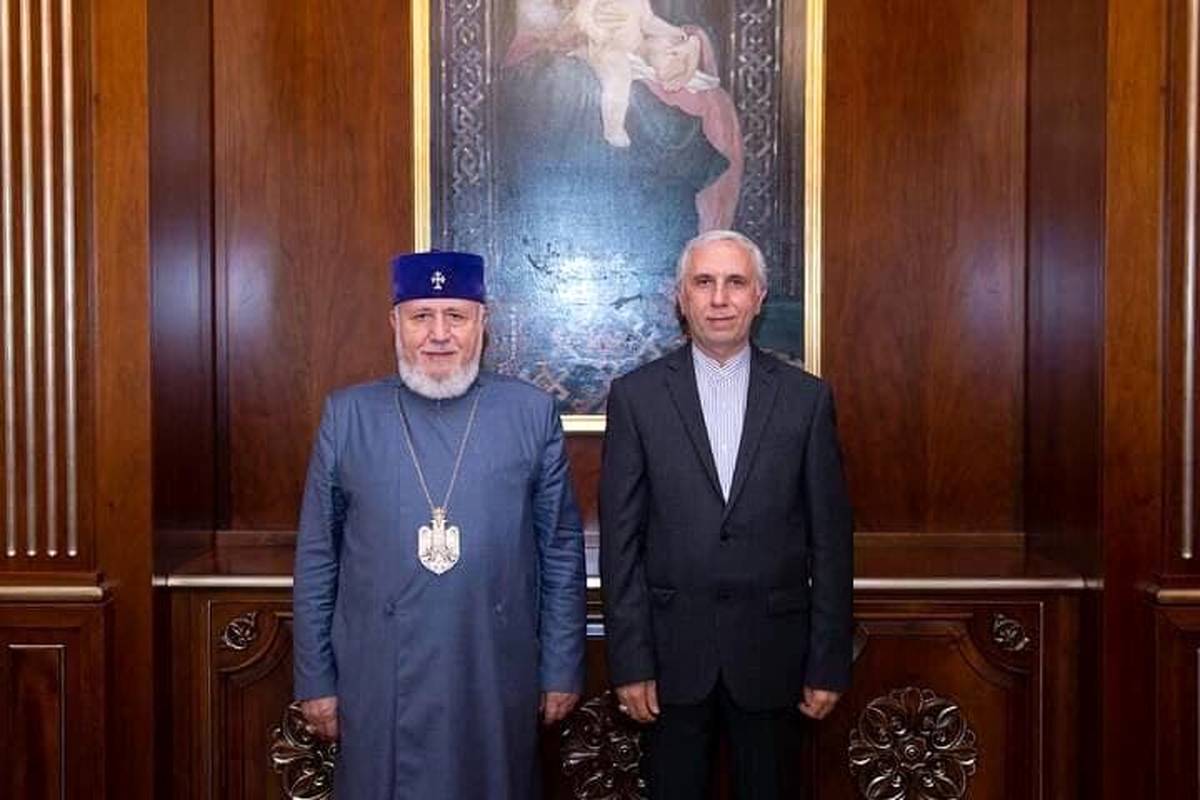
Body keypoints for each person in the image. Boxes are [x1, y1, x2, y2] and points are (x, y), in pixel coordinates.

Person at [292, 250, 587, 799]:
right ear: (395, 323)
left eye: (456, 315)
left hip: (493, 667)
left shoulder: (530, 413)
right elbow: (317, 557)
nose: (439, 334)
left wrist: (561, 667)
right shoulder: (349, 415)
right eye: (421, 316)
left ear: (482, 322)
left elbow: (560, 551)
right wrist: (315, 678)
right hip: (378, 677)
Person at [599, 230, 853, 798]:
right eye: (704, 282)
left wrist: (827, 661)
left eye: (735, 282)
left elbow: (832, 544)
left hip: (774, 661)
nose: (719, 298)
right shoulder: (636, 398)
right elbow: (621, 542)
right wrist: (630, 662)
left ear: (758, 297)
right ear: (680, 297)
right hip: (670, 664)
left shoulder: (806, 400)